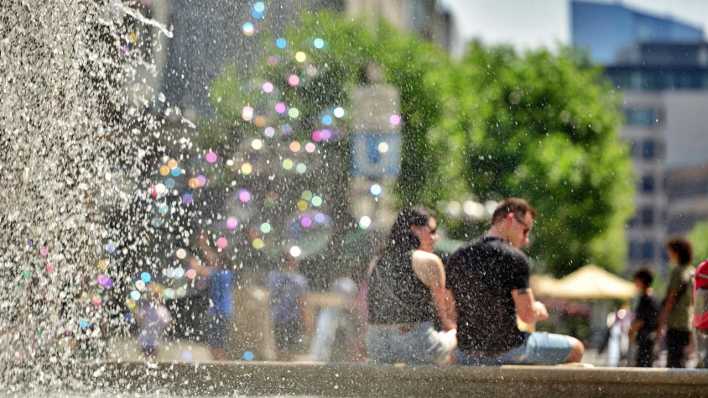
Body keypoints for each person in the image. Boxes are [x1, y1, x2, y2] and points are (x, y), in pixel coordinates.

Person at [447, 198, 584, 366]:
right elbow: (526, 316)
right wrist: (538, 309)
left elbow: (449, 311)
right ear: (510, 219)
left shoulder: (458, 255)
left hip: (466, 353)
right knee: (576, 348)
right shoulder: (514, 258)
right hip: (509, 350)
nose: (526, 239)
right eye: (525, 230)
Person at [366, 207, 457, 365]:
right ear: (415, 230)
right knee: (458, 335)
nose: (436, 237)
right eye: (432, 231)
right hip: (416, 345)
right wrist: (455, 329)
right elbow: (445, 318)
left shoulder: (376, 261)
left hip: (377, 345)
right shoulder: (429, 261)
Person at [189, 231, 236, 360]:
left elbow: (201, 269)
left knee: (217, 342)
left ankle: (220, 362)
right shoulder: (227, 274)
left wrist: (201, 247)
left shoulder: (220, 274)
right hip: (223, 311)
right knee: (218, 341)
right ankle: (220, 362)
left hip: (219, 312)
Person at [658, 238, 695, 368]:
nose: (668, 254)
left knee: (673, 360)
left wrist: (662, 318)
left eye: (670, 251)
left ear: (677, 253)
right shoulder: (692, 271)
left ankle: (673, 388)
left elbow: (671, 298)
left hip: (675, 321)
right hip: (688, 321)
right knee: (682, 360)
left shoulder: (677, 271)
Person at [267, 253, 311, 359]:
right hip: (290, 317)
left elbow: (269, 298)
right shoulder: (299, 280)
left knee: (282, 347)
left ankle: (282, 367)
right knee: (289, 347)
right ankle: (287, 367)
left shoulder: (273, 277)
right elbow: (302, 301)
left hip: (281, 317)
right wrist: (305, 320)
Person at [629, 268, 659, 367]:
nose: (635, 283)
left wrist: (631, 331)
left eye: (636, 280)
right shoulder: (653, 297)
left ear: (641, 281)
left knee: (642, 366)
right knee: (648, 364)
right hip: (651, 337)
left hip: (644, 337)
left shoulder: (645, 298)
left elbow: (640, 320)